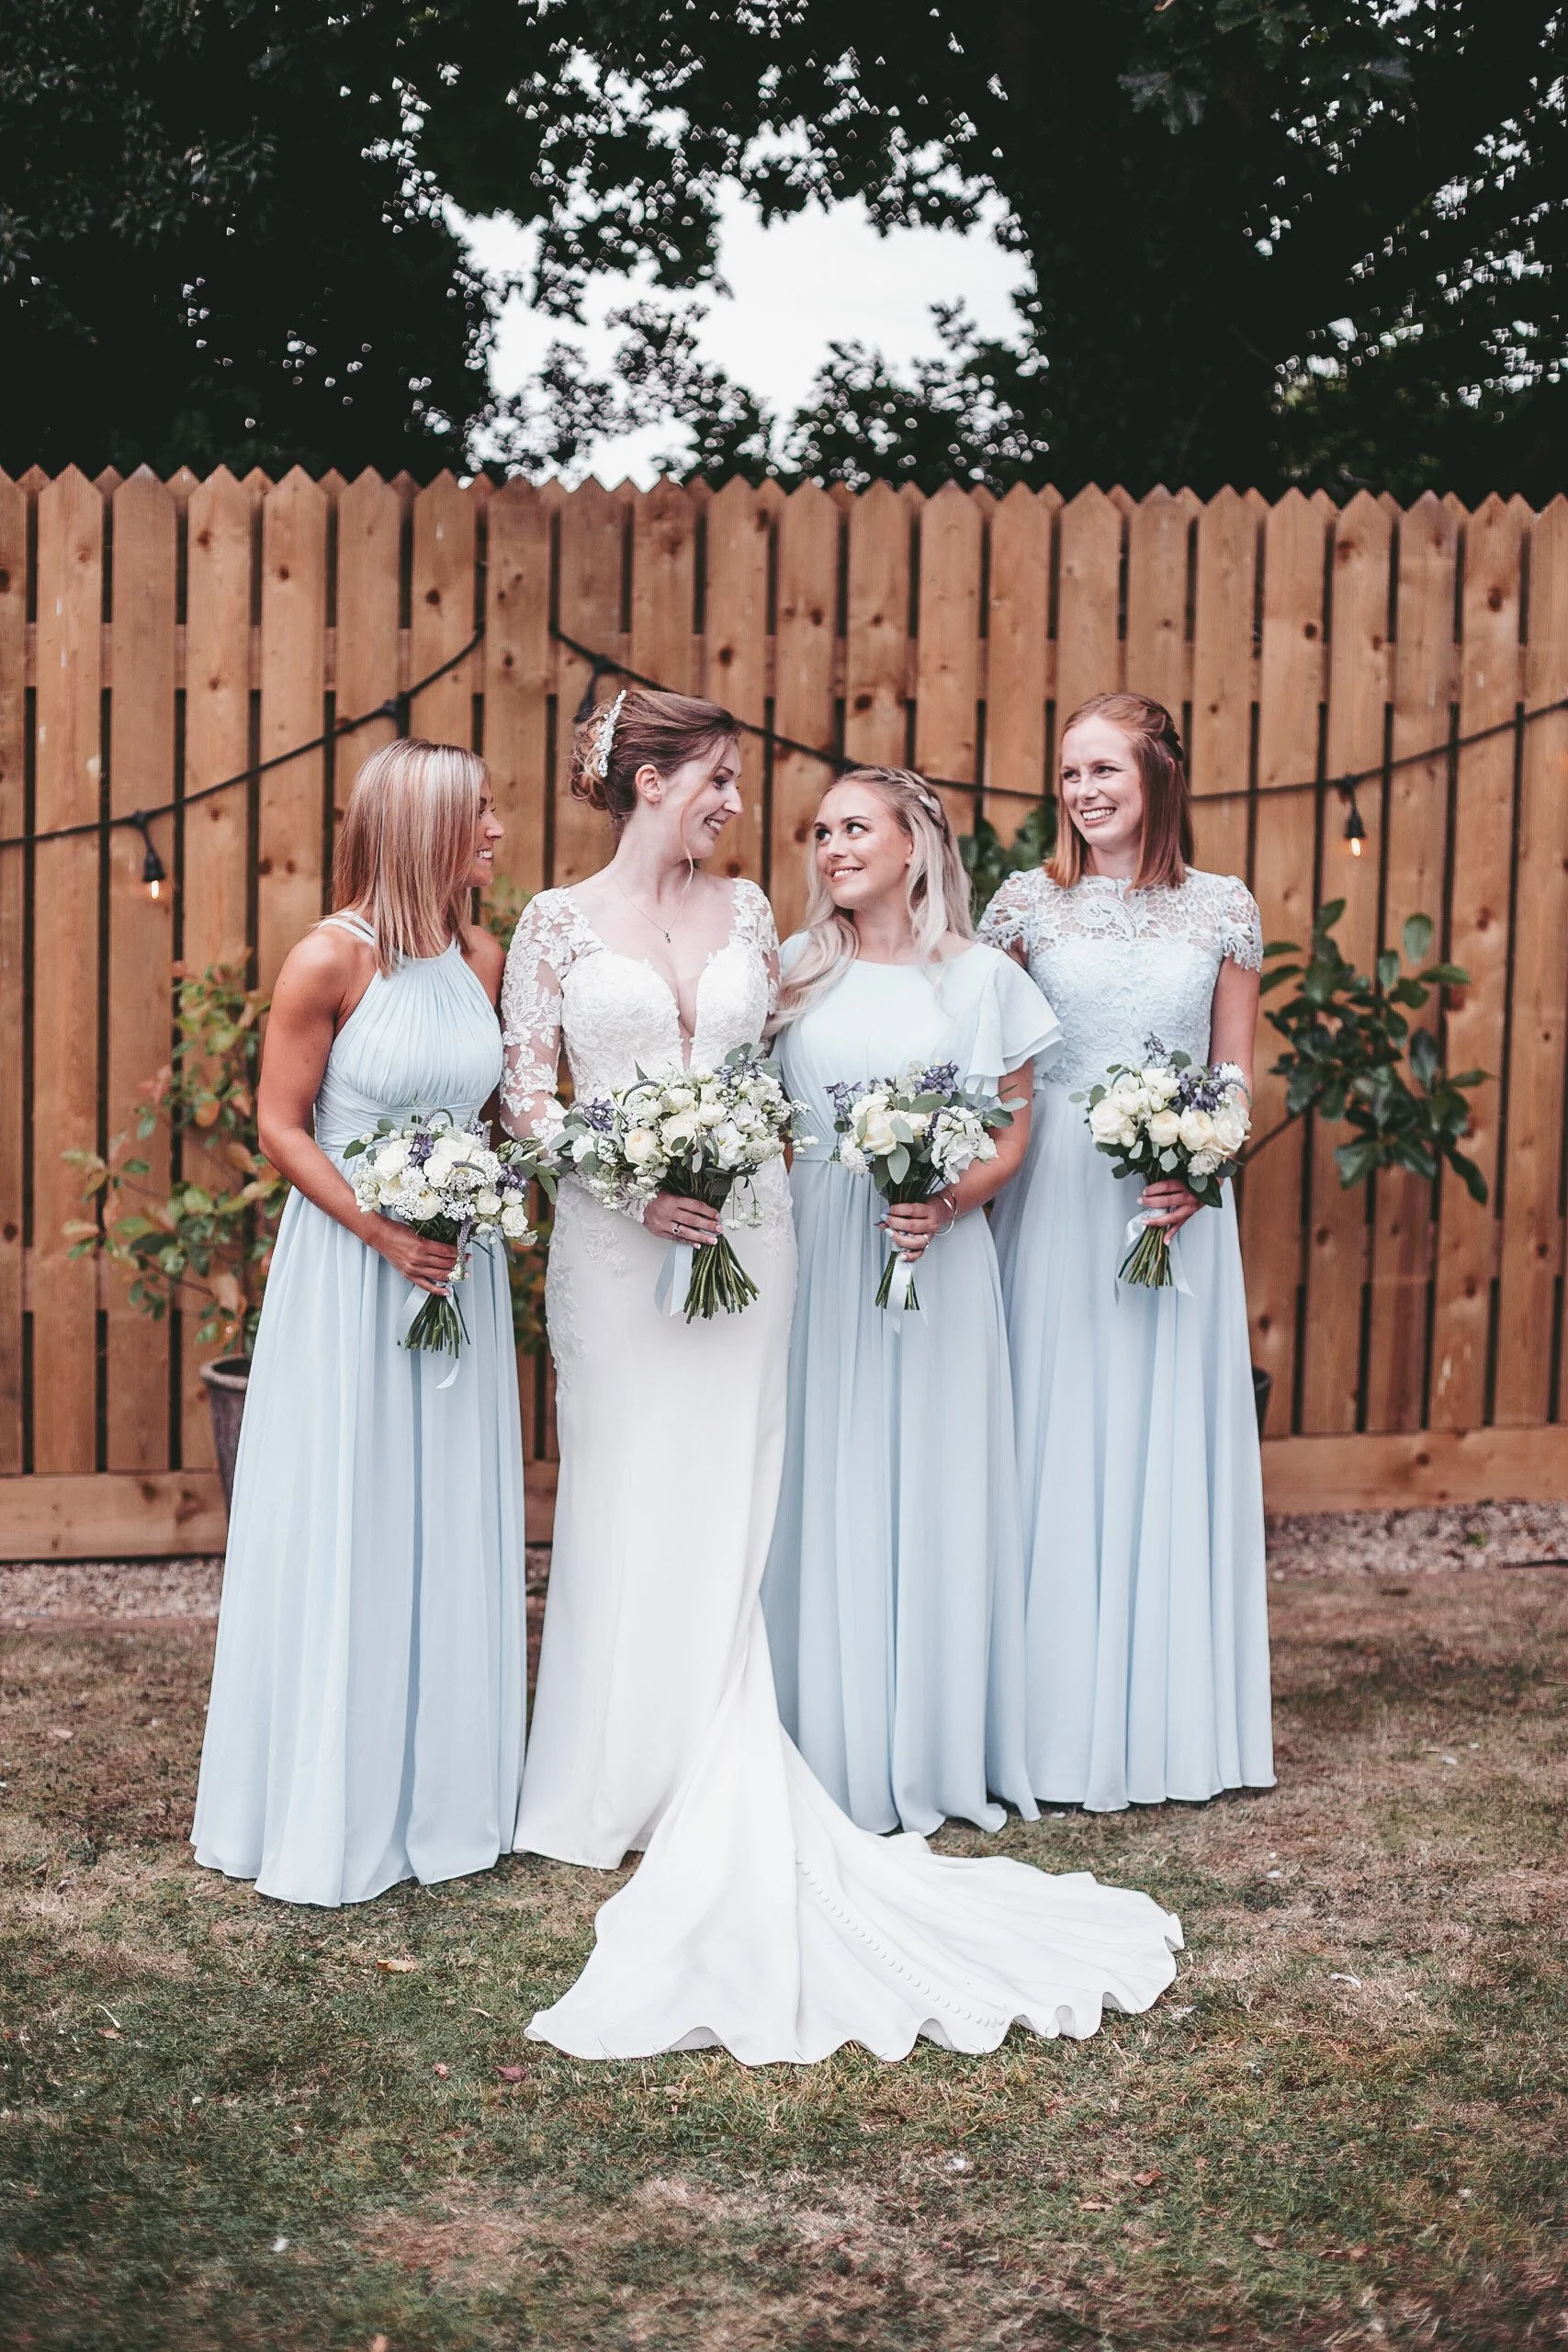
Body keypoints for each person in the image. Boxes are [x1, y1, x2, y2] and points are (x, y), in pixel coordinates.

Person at [500, 687, 1182, 2064]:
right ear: (651, 786)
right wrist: (629, 1182)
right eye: (724, 782)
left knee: (743, 1491)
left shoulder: (756, 922)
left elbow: (763, 1077)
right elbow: (528, 1094)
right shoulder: (552, 924)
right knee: (626, 1485)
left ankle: (722, 1743)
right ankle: (607, 1776)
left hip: (754, 1239)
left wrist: (740, 1165)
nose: (748, 810)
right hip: (619, 1246)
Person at [192, 741, 527, 1905]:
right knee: (350, 1507)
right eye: (480, 813)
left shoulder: (484, 956)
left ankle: (443, 1790)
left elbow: (482, 1111)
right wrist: (383, 1231)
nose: (496, 829)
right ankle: (328, 1793)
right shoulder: (331, 957)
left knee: (442, 1512)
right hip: (353, 1272)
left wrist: (479, 1196)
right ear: (425, 826)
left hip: (456, 1275)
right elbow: (283, 1126)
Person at [979, 692, 1275, 1815]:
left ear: (1157, 775)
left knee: (1158, 1428)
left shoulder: (1223, 909)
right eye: (1069, 775)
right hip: (1053, 1193)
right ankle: (1045, 1721)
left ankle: (1166, 1716)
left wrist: (1202, 1162)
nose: (1084, 793)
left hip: (1171, 1202)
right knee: (1054, 1427)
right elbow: (987, 1051)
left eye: (1104, 769)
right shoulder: (1024, 908)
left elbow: (1235, 1066)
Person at [762, 768, 1060, 1836]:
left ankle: (928, 1743)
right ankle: (814, 1733)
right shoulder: (794, 970)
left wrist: (942, 1200)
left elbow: (1014, 1135)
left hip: (935, 1260)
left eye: (855, 828)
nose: (833, 846)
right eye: (822, 831)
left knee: (929, 1477)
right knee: (821, 1471)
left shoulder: (982, 981)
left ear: (913, 844)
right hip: (818, 1256)